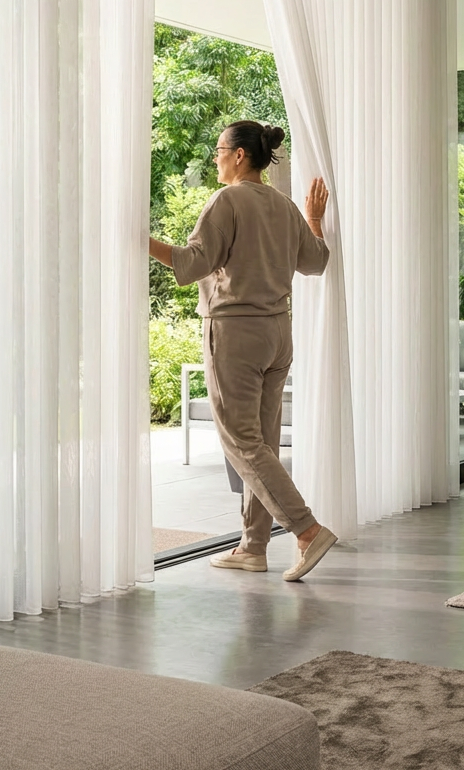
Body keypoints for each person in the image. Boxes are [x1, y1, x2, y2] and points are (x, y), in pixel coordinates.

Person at [149, 120, 337, 582]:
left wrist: (135, 237)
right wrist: (313, 219)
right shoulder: (284, 205)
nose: (215, 158)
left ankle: (307, 530)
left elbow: (192, 265)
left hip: (235, 333)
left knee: (241, 441)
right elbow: (316, 262)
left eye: (218, 150)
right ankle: (253, 547)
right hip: (278, 333)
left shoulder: (226, 200)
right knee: (263, 442)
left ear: (238, 156)